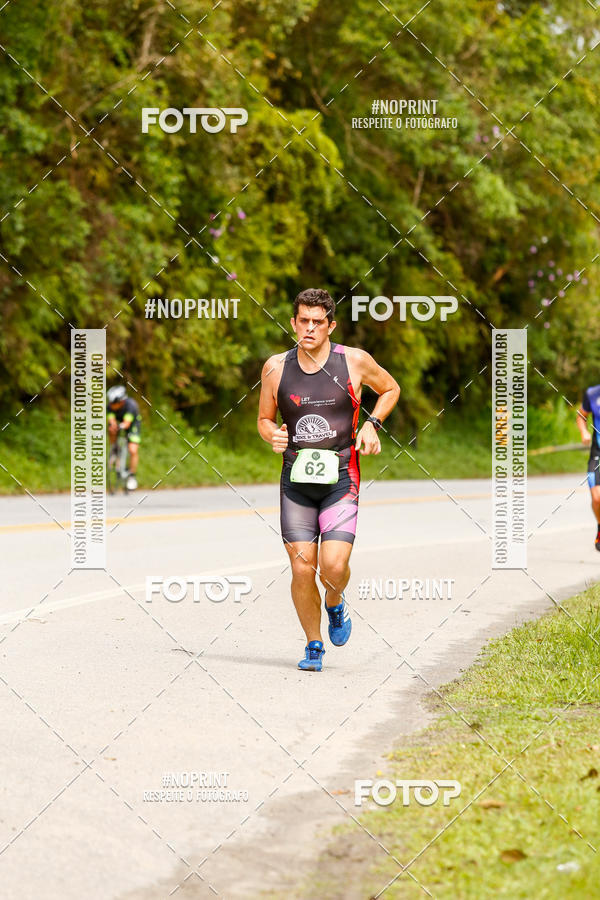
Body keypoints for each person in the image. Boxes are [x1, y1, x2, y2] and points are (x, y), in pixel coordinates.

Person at [257, 288, 400, 671]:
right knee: (303, 566)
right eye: (303, 320)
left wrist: (372, 424)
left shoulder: (353, 361)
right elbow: (264, 419)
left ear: (330, 325)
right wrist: (271, 434)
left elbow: (390, 389)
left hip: (341, 479)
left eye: (317, 322)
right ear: (293, 323)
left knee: (333, 567)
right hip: (295, 481)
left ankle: (335, 603)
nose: (309, 328)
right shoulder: (274, 367)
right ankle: (313, 644)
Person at [577, 383, 600, 550]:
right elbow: (581, 415)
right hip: (597, 453)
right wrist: (583, 431)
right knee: (597, 498)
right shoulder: (592, 393)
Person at [107, 385, 142, 490]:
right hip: (120, 422)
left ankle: (132, 476)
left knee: (133, 449)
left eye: (114, 403)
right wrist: (113, 426)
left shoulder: (131, 406)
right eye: (110, 403)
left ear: (121, 402)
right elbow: (111, 420)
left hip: (132, 425)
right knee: (111, 429)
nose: (111, 405)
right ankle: (114, 449)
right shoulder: (109, 407)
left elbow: (126, 424)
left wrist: (120, 426)